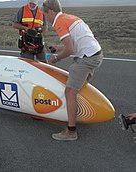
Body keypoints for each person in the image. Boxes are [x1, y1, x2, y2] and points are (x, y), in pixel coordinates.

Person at [41, 0, 103, 141]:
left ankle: (71, 131)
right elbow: (74, 44)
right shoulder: (70, 17)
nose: (46, 18)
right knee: (78, 88)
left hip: (86, 58)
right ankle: (80, 113)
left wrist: (55, 58)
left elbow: (70, 50)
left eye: (45, 14)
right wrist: (58, 48)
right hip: (96, 54)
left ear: (50, 12)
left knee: (70, 91)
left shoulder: (58, 22)